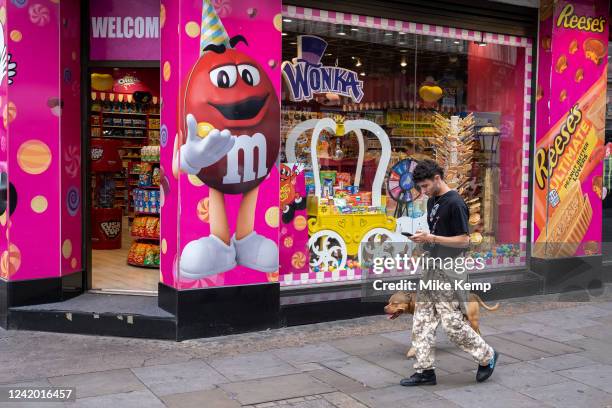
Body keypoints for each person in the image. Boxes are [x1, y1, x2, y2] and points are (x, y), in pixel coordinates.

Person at [400, 159, 498, 386]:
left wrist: (432, 238)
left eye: (425, 186)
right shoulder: (433, 200)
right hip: (432, 266)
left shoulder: (455, 203)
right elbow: (437, 232)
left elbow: (464, 240)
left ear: (437, 178)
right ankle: (425, 371)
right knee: (422, 320)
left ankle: (487, 356)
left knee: (452, 324)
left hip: (448, 270)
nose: (423, 192)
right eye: (420, 188)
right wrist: (424, 241)